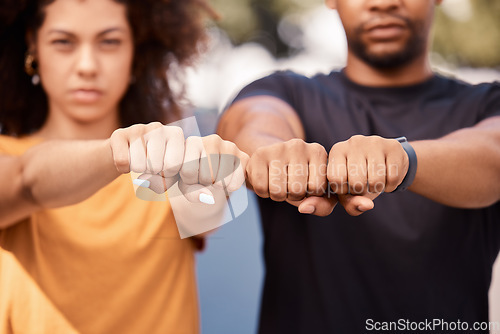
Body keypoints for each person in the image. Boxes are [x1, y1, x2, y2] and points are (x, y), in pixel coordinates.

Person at [218, 0, 500, 333]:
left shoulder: (487, 104)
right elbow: (250, 125)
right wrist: (273, 157)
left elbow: (492, 153)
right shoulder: (284, 90)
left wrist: (400, 159)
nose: (383, 3)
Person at [0, 0, 247, 333]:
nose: (87, 65)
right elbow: (25, 181)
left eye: (109, 41)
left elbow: (205, 213)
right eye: (63, 42)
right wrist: (119, 153)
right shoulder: (7, 157)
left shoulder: (166, 161)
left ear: (136, 52)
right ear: (33, 46)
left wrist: (212, 173)